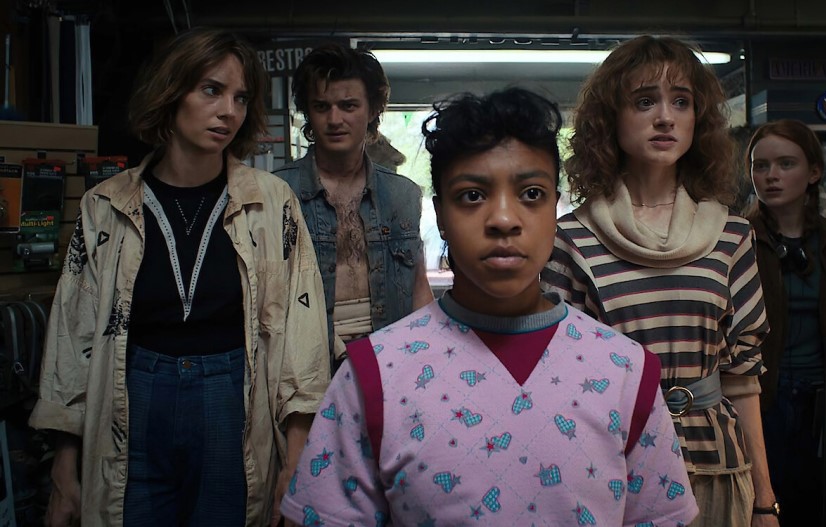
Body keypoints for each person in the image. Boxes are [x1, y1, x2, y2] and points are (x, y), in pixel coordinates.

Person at [280, 87, 699, 526]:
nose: (503, 219)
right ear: (440, 215)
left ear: (554, 209)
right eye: (472, 196)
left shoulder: (624, 372)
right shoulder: (373, 374)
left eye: (531, 194)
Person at [28, 28, 331, 526]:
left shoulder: (270, 202)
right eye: (212, 90)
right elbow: (72, 338)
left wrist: (295, 458)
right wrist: (65, 469)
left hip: (230, 399)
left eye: (240, 98)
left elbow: (302, 337)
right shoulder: (106, 205)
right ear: (171, 92)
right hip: (133, 398)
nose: (229, 111)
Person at [541, 35, 779, 527]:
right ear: (610, 119)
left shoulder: (732, 235)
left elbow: (742, 379)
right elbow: (556, 383)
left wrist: (764, 501)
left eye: (681, 102)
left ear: (698, 119)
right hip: (610, 469)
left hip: (717, 469)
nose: (666, 117)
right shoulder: (570, 239)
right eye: (645, 101)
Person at [745, 119, 826, 526]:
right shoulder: (738, 242)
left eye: (786, 164)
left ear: (813, 172)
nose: (772, 176)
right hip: (763, 398)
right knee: (763, 504)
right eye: (761, 166)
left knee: (824, 503)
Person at [275, 42, 433, 368]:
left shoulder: (402, 194)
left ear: (373, 109)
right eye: (322, 107)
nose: (335, 119)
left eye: (348, 106)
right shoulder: (279, 192)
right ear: (308, 112)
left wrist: (427, 359)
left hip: (389, 357)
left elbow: (418, 287)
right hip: (306, 362)